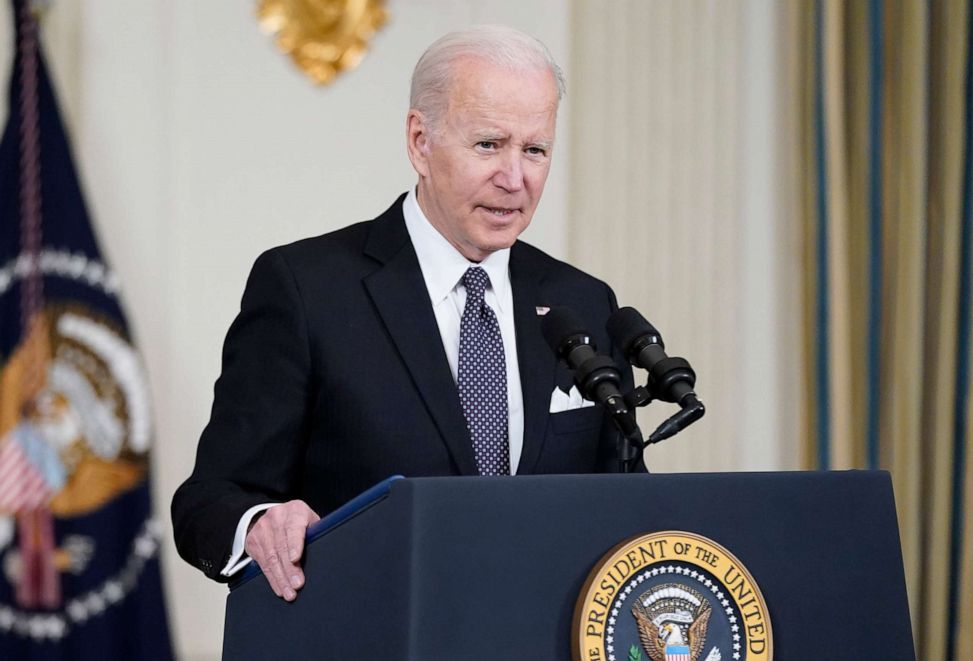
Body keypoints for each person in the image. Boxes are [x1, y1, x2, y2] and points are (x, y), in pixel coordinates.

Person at [171, 25, 636, 603]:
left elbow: (623, 506)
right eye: (489, 145)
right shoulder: (307, 289)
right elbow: (211, 499)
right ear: (420, 141)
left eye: (535, 150)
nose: (515, 178)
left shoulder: (582, 303)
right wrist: (260, 523)